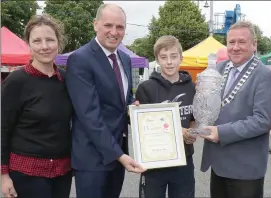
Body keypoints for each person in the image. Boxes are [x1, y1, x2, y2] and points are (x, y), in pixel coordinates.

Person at [65, 3, 145, 198]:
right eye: (108, 25)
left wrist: (133, 107)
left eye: (120, 27)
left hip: (117, 154)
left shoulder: (124, 59)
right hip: (92, 159)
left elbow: (120, 100)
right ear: (95, 24)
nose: (114, 32)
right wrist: (119, 155)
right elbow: (89, 116)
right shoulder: (80, 59)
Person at [198, 21, 271, 198]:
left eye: (241, 42)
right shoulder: (218, 69)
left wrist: (221, 132)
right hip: (218, 164)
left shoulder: (265, 76)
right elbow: (205, 103)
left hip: (245, 169)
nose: (235, 47)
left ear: (254, 44)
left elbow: (263, 121)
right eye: (231, 42)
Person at [1, 14, 72, 198]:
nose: (44, 46)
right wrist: (3, 175)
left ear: (58, 42)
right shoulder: (16, 81)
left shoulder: (67, 79)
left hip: (62, 172)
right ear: (29, 44)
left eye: (50, 39)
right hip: (27, 174)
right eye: (37, 41)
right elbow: (2, 129)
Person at [135, 35, 197, 198]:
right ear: (157, 60)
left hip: (184, 159)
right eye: (163, 57)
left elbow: (193, 119)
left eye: (174, 56)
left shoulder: (192, 87)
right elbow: (144, 127)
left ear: (181, 58)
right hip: (154, 162)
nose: (169, 62)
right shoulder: (146, 88)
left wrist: (191, 132)